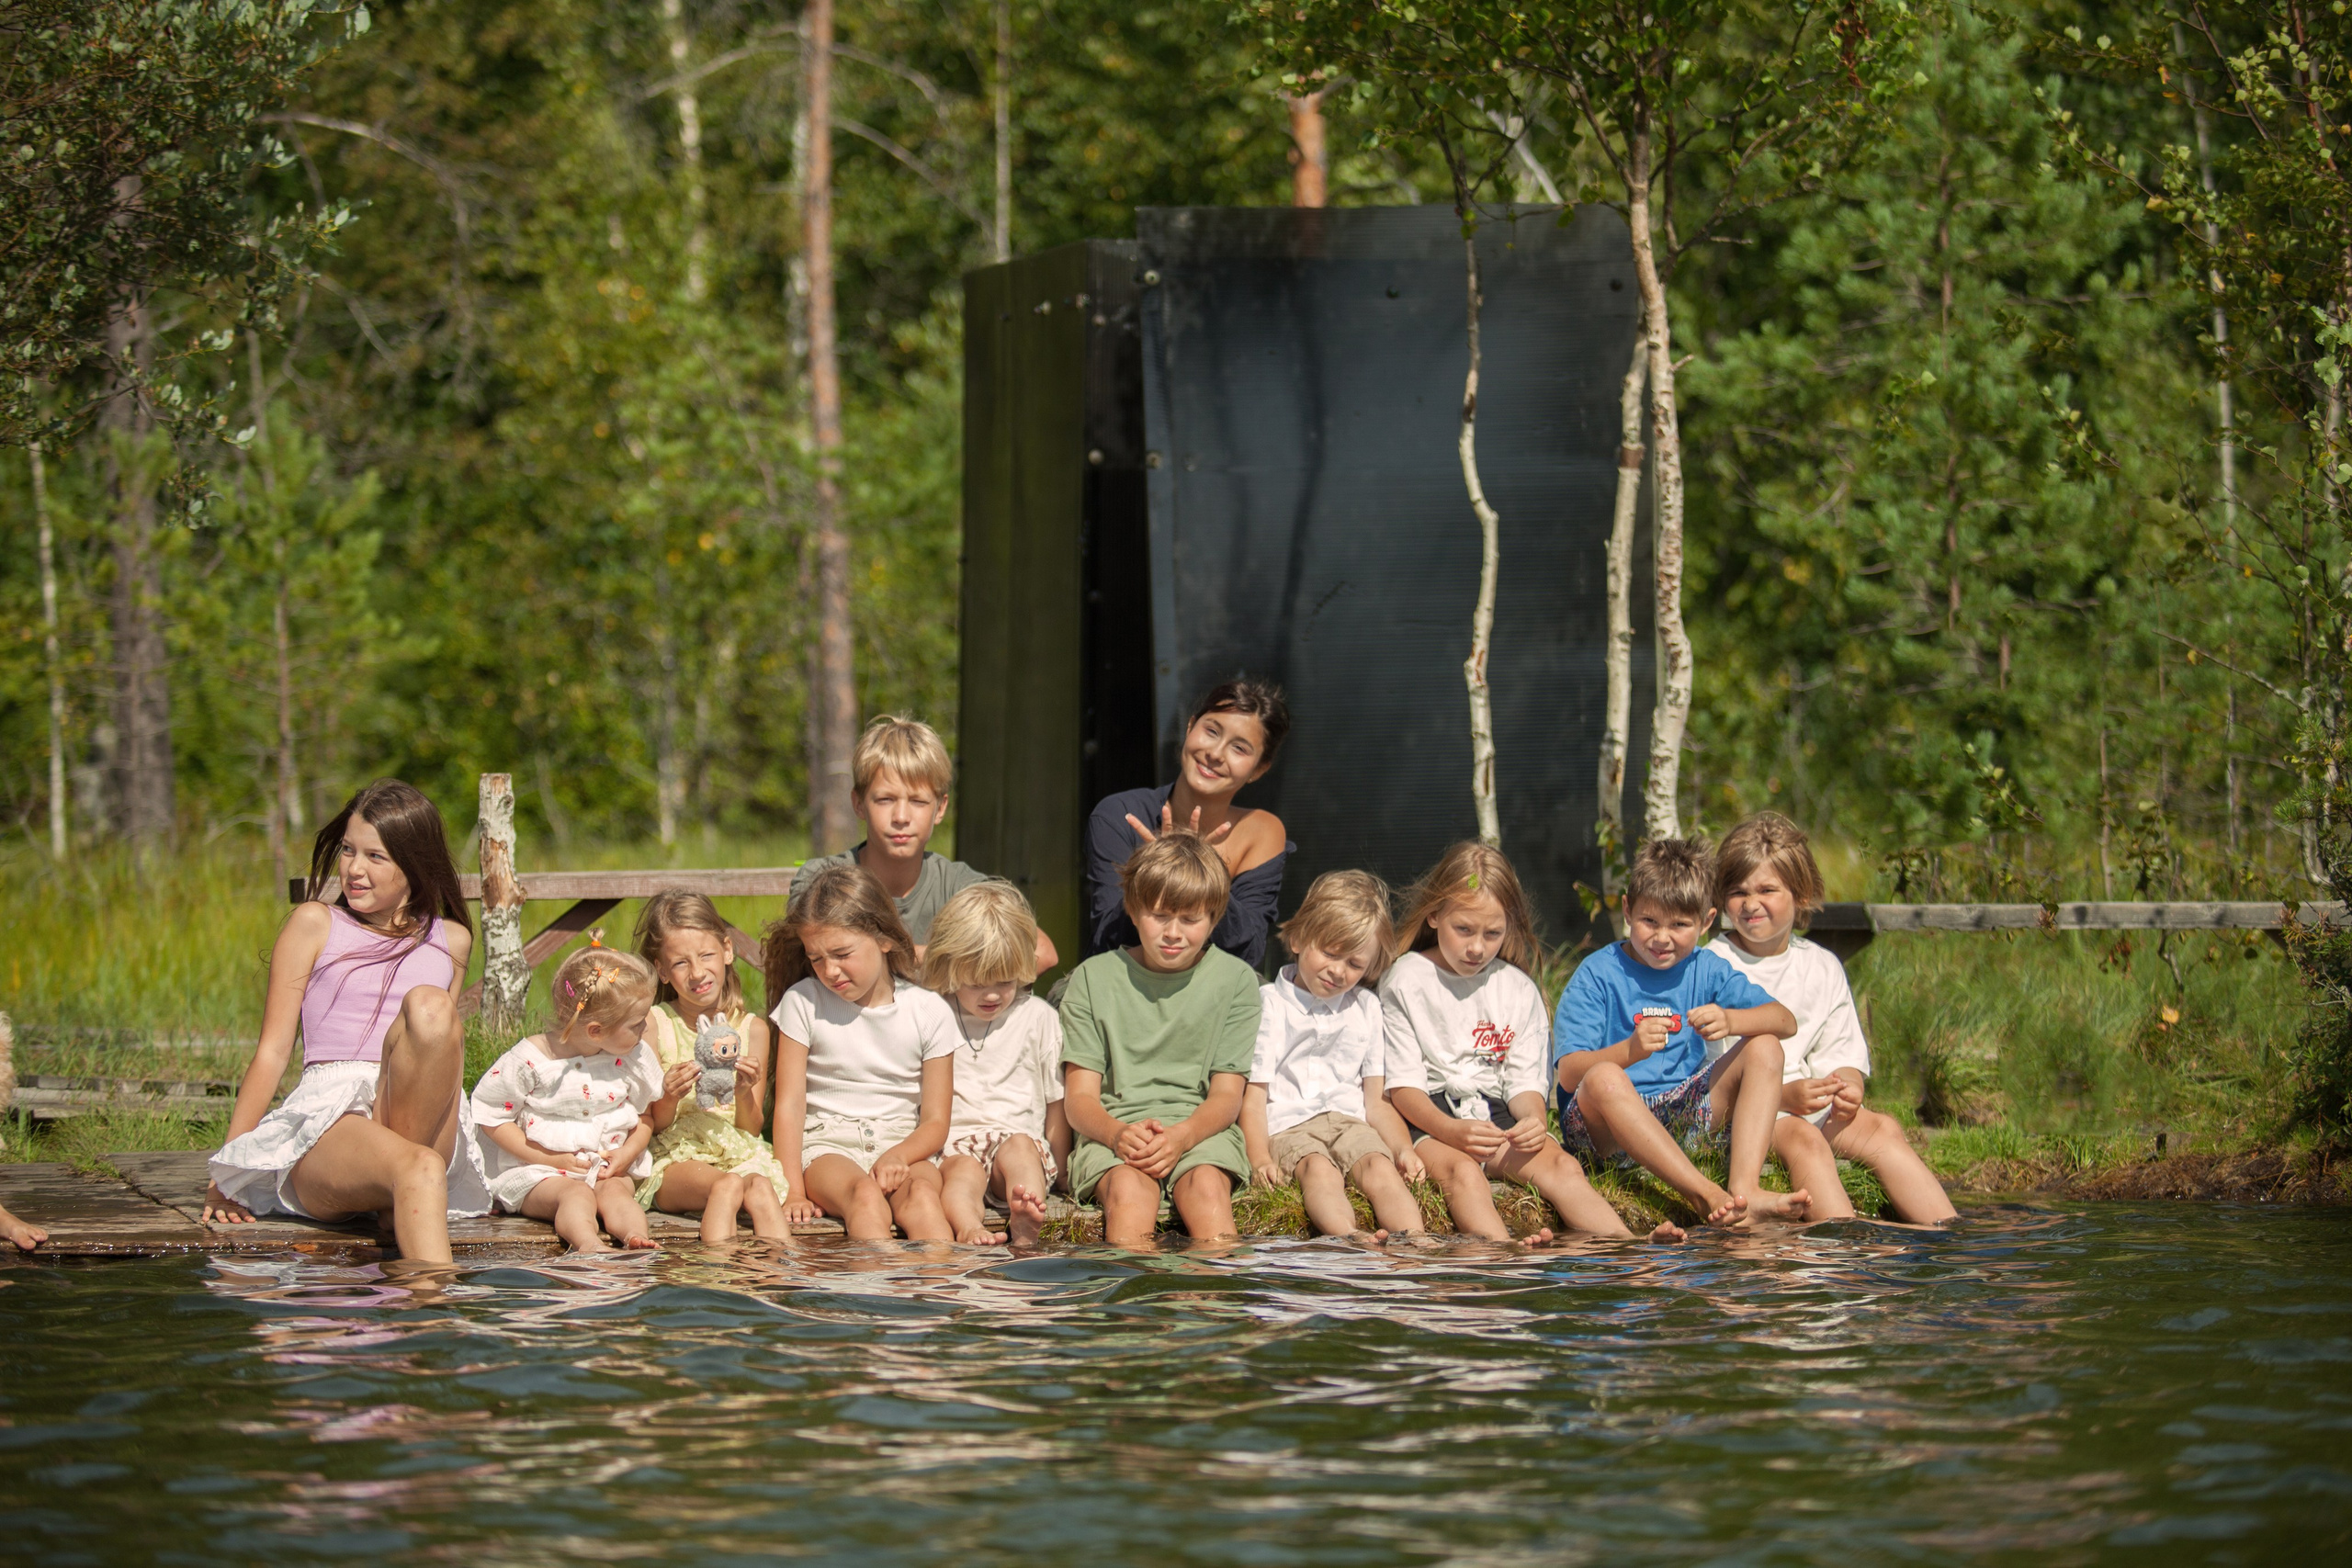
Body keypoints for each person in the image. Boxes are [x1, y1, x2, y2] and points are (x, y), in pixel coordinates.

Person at [207, 780, 492, 1265]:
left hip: (416, 1109)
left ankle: (397, 1211)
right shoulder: (315, 923)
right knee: (419, 1166)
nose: (354, 870)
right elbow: (273, 1052)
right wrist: (225, 1174)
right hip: (333, 1119)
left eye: (375, 857)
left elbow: (438, 1051)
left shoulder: (453, 939)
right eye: (347, 850)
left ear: (414, 864)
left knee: (431, 1008)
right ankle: (437, 1326)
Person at [1383, 843, 1670, 1243]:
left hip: (1495, 1116)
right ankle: (1504, 1254)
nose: (1477, 947)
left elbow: (1522, 1084)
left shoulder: (1516, 987)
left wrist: (1534, 1120)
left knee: (1564, 1168)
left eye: (1492, 933)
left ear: (1510, 926)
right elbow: (1403, 1087)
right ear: (1434, 915)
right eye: (1463, 929)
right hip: (1430, 1118)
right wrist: (1452, 1131)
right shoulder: (1405, 979)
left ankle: (1626, 1246)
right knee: (1464, 1173)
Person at [1710, 813, 1957, 1224]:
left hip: (1809, 1105)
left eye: (1767, 890)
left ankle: (1948, 1235)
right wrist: (1785, 1097)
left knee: (1883, 1129)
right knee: (1805, 1139)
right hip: (1746, 1117)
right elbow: (1712, 1073)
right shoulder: (1713, 963)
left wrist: (1848, 1089)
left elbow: (1840, 1052)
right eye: (1738, 892)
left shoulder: (1821, 966)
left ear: (1801, 895)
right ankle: (1841, 1243)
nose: (1751, 904)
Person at [1553, 838, 1808, 1226]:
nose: (1662, 937)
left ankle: (1746, 1190)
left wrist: (1732, 1021)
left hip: (1681, 1114)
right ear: (1627, 910)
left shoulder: (1706, 968)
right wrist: (1629, 1051)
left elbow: (1784, 1020)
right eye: (1649, 921)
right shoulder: (1597, 973)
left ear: (1706, 922)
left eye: (1680, 925)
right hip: (1606, 1131)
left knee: (1766, 1047)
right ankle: (1703, 1193)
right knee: (1605, 1076)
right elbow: (1570, 1073)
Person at [1060, 831, 1259, 1248]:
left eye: (1190, 919)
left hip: (1201, 1132)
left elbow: (1227, 1095)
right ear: (1133, 911)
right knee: (1129, 1194)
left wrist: (1184, 1136)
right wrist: (1117, 1135)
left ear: (1214, 917)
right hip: (1113, 1133)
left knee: (1206, 1189)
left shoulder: (1236, 981)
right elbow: (1079, 1100)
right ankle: (1138, 1306)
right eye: (1159, 915)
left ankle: (1212, 1302)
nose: (1173, 932)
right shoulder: (1092, 979)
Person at [765, 863, 957, 1241]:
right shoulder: (802, 1002)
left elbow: (936, 1121)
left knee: (921, 1196)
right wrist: (793, 1189)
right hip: (828, 1147)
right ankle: (874, 1296)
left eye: (841, 953)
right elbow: (789, 1106)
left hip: (904, 1144)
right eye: (816, 958)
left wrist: (900, 1155)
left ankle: (943, 1290)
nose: (829, 971)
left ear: (884, 939)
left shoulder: (930, 1011)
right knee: (865, 1197)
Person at [1240, 870, 1426, 1239]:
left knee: (1379, 1166)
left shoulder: (1366, 1008)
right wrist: (1259, 1157)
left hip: (1349, 1120)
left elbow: (1376, 1101)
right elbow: (1255, 1096)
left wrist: (1403, 1148)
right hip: (1290, 1124)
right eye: (1329, 953)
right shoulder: (1270, 1005)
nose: (1338, 971)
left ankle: (1415, 1241)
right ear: (1297, 938)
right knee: (1318, 1170)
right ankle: (1348, 1237)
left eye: (1355, 964)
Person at [792, 715, 1057, 972]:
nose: (901, 817)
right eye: (885, 800)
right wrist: (951, 958)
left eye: (918, 802)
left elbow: (1042, 953)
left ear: (940, 808)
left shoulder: (958, 887)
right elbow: (801, 965)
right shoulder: (820, 882)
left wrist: (910, 958)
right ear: (859, 804)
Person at [1084, 679, 1293, 969]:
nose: (1216, 754)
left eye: (1240, 748)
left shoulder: (1261, 831)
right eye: (1211, 731)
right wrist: (1158, 867)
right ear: (1190, 727)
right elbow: (1108, 940)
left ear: (1259, 769)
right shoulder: (1119, 814)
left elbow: (1249, 952)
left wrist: (1199, 864)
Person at [471, 945, 663, 1252]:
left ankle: (635, 1239)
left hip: (606, 1168)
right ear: (596, 1031)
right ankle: (587, 1243)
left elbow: (644, 1117)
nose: (646, 1029)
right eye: (636, 1023)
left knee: (616, 1194)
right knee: (576, 1196)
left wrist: (627, 1153)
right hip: (540, 1173)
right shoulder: (532, 1061)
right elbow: (490, 1117)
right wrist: (547, 1158)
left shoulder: (631, 1058)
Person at [634, 891, 794, 1243]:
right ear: (662, 971)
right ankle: (718, 1282)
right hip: (675, 1157)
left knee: (761, 1188)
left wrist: (742, 1093)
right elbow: (654, 1123)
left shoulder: (752, 1028)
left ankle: (782, 1280)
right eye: (680, 963)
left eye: (706, 956)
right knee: (728, 1185)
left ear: (727, 950)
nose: (697, 973)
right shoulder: (654, 1024)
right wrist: (669, 1097)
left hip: (735, 1149)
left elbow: (751, 1128)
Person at [923, 882, 1069, 1248]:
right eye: (976, 984)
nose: (991, 995)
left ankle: (1026, 1218)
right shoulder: (933, 1013)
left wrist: (1062, 1169)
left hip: (1017, 1136)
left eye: (1005, 982)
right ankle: (968, 1225)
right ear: (950, 967)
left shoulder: (1037, 1017)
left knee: (1020, 1152)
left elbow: (1056, 1103)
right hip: (957, 1142)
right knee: (961, 1175)